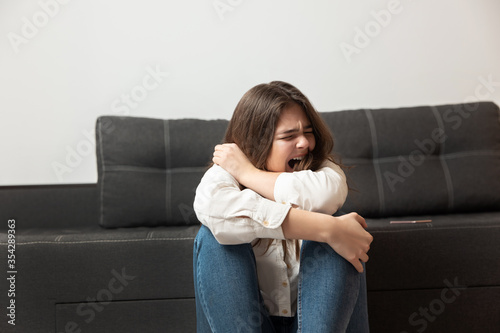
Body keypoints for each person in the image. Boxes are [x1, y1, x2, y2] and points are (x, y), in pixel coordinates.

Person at [193, 81, 373, 332]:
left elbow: (325, 195)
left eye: (307, 132)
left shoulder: (323, 168)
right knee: (213, 238)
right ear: (257, 142)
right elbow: (215, 209)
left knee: (335, 232)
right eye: (289, 136)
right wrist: (327, 228)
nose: (304, 144)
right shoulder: (224, 173)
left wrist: (249, 173)